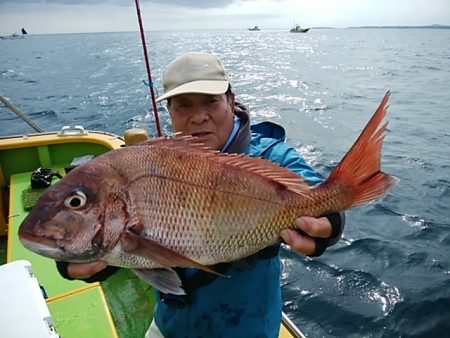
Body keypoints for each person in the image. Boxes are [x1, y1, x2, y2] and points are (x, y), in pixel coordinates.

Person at [56, 52, 345, 337]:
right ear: (169, 111)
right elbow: (131, 243)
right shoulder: (150, 163)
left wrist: (330, 222)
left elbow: (315, 192)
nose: (198, 117)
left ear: (231, 101)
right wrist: (82, 253)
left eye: (211, 102)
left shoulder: (270, 156)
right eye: (183, 106)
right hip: (170, 326)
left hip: (247, 329)